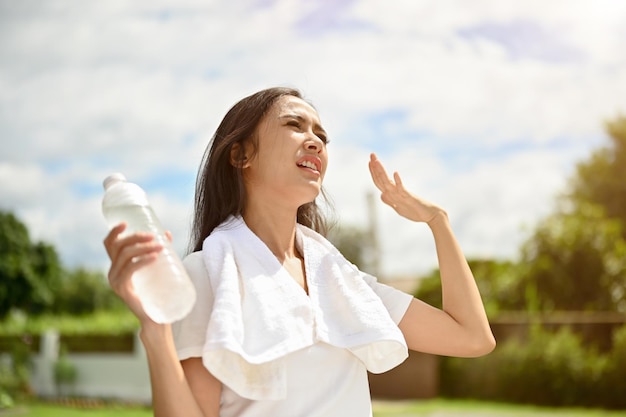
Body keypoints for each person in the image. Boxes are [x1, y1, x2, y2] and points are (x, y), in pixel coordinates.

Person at [103, 86, 496, 417]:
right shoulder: (209, 273)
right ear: (242, 155)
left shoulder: (343, 284)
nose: (315, 141)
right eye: (294, 125)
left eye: (322, 136)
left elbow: (472, 337)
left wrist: (438, 222)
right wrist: (155, 332)